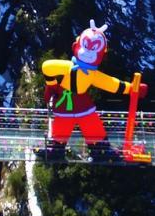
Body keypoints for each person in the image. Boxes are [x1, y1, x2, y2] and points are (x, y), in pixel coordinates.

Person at [42, 20, 147, 160]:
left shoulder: (69, 67)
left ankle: (58, 150)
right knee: (86, 123)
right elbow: (110, 83)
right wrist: (131, 89)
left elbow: (47, 67)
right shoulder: (90, 74)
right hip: (79, 101)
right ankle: (99, 150)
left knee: (78, 124)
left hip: (65, 100)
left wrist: (52, 84)